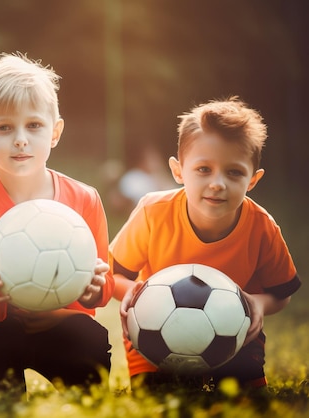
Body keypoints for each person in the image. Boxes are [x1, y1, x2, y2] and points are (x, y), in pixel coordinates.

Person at [0, 53, 114, 403]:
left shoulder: (85, 199)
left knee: (90, 336)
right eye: (4, 128)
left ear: (55, 132)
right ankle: (4, 400)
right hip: (3, 327)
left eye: (34, 126)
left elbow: (103, 283)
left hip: (64, 324)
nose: (20, 139)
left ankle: (85, 398)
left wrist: (92, 290)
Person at [110, 97, 301, 392]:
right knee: (159, 400)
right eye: (203, 170)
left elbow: (282, 293)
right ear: (177, 171)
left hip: (233, 335)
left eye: (234, 172)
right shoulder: (152, 212)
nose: (217, 183)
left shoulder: (262, 226)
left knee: (246, 397)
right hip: (153, 332)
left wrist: (259, 305)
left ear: (253, 180)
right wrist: (132, 291)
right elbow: (114, 274)